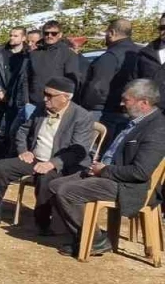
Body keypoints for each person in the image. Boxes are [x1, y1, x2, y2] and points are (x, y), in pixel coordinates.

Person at [49, 79, 165, 257]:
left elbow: (140, 173)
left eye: (126, 100)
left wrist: (103, 170)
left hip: (130, 185)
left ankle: (95, 240)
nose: (121, 104)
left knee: (67, 191)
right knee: (54, 185)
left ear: (144, 103)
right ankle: (85, 236)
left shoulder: (157, 129)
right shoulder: (135, 121)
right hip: (109, 175)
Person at [0, 77, 96, 231]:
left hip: (62, 165)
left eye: (50, 95)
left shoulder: (81, 117)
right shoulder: (40, 108)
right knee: (0, 167)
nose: (45, 98)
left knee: (45, 177)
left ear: (65, 97)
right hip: (35, 159)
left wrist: (51, 164)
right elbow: (22, 131)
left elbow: (78, 151)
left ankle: (43, 223)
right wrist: (24, 150)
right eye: (44, 94)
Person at [80, 18, 139, 137]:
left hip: (105, 112)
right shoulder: (140, 53)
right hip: (132, 111)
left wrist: (86, 106)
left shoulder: (110, 57)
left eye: (106, 32)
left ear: (112, 33)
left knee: (94, 146)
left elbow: (97, 87)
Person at [0, 27, 32, 156]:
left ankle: (10, 154)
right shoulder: (0, 52)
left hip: (17, 96)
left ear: (23, 38)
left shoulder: (28, 54)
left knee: (14, 127)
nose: (12, 38)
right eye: (11, 35)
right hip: (1, 95)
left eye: (15, 36)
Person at [26, 20, 82, 109]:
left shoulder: (68, 54)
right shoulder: (34, 54)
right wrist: (26, 101)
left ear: (60, 35)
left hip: (56, 103)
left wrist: (68, 101)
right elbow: (26, 79)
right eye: (46, 33)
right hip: (34, 102)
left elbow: (72, 80)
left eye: (54, 33)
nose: (49, 36)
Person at [134, 12, 165, 109]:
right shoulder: (145, 54)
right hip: (150, 111)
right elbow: (134, 81)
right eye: (162, 28)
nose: (164, 31)